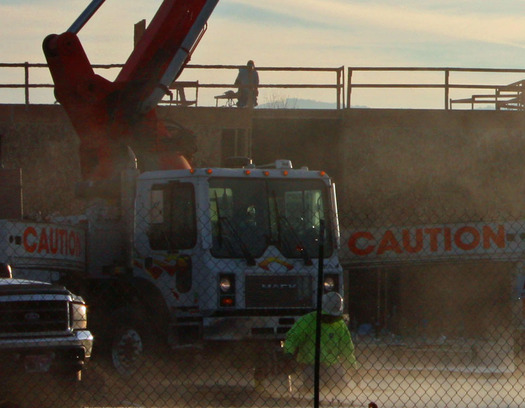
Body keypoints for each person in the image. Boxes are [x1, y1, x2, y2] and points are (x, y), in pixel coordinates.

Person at [283, 292, 358, 395]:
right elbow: (293, 337)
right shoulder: (308, 320)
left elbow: (347, 351)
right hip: (310, 363)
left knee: (341, 390)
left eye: (332, 316)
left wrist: (352, 370)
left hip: (332, 365)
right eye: (327, 316)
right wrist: (288, 353)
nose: (330, 319)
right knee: (312, 389)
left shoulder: (340, 325)